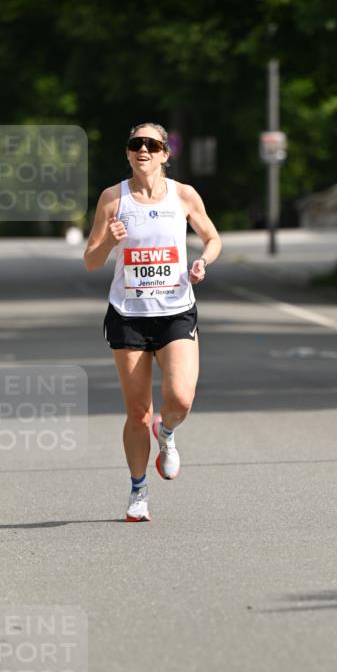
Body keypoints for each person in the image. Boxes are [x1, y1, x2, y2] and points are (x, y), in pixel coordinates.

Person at [84, 123, 221, 521]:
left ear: (165, 153)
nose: (143, 149)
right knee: (138, 412)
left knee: (180, 398)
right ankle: (138, 489)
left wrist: (202, 261)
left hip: (176, 310)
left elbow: (212, 238)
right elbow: (91, 262)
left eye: (152, 144)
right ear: (128, 153)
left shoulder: (183, 195)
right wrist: (110, 239)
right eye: (135, 144)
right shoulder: (113, 198)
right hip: (129, 315)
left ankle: (169, 432)